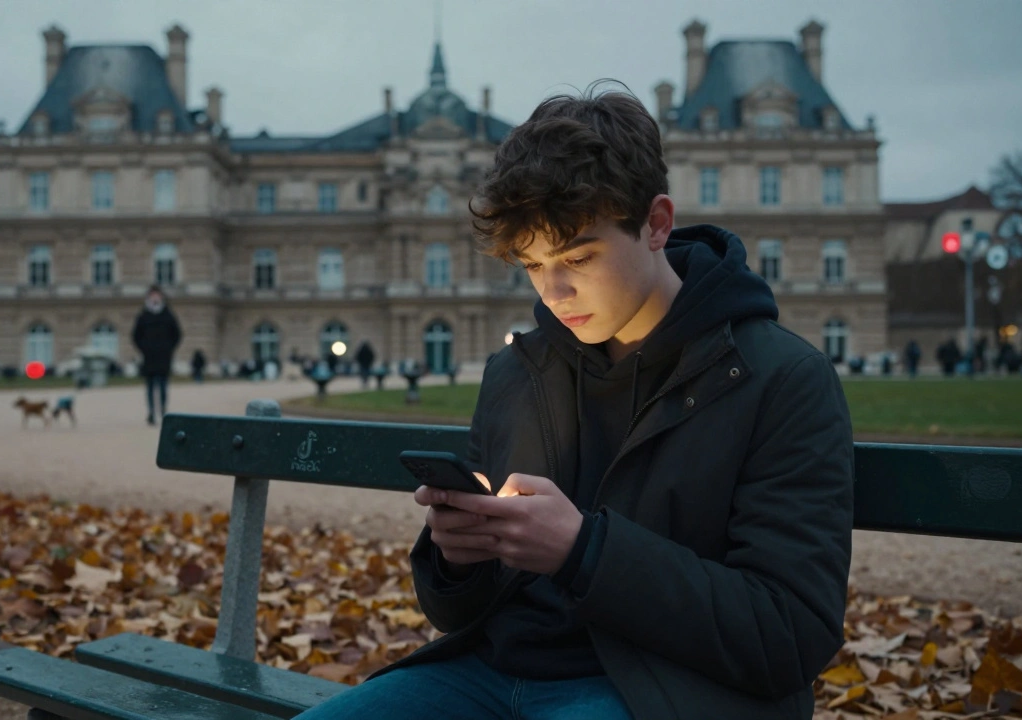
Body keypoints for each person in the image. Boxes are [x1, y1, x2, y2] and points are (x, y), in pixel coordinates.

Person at [296, 86, 854, 720]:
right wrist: (456, 558)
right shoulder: (518, 370)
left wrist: (585, 553)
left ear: (657, 224)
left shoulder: (783, 378)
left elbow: (789, 636)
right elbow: (457, 615)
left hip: (661, 689)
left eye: (578, 257)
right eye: (532, 265)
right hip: (487, 676)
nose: (554, 291)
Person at [131, 286, 181, 425]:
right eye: (152, 295)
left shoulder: (168, 314)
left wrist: (169, 348)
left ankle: (163, 410)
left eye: (157, 295)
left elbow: (177, 334)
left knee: (163, 386)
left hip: (164, 356)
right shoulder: (143, 315)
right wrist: (144, 349)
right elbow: (135, 336)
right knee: (150, 387)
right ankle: (152, 412)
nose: (155, 297)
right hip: (149, 357)